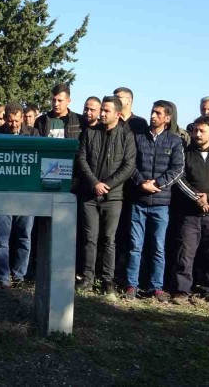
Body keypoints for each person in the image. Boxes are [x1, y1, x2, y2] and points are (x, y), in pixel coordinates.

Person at [74, 96, 136, 298]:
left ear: (117, 114)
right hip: (90, 194)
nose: (102, 114)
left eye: (106, 111)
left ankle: (107, 280)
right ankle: (88, 277)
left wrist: (107, 185)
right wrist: (94, 183)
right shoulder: (89, 132)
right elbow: (81, 159)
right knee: (90, 238)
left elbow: (129, 165)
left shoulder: (126, 136)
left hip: (113, 196)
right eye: (102, 110)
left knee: (109, 239)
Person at [125, 100, 184, 301]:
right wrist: (141, 183)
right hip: (139, 200)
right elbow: (130, 164)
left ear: (167, 118)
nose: (153, 116)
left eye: (158, 113)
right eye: (152, 112)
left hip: (161, 203)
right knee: (135, 245)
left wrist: (157, 184)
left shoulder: (175, 141)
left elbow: (177, 169)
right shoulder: (138, 138)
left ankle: (156, 286)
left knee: (158, 247)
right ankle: (132, 284)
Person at [170, 115, 209, 306]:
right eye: (195, 130)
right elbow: (179, 178)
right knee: (185, 254)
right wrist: (198, 198)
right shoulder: (185, 154)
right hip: (189, 214)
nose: (197, 134)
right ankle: (181, 291)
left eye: (202, 130)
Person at [0, 102, 40, 288]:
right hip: (2, 195)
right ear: (5, 119)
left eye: (17, 121)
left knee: (24, 236)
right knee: (1, 238)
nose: (14, 125)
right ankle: (3, 276)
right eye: (10, 121)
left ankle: (19, 276)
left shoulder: (33, 134)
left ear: (22, 118)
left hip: (26, 195)